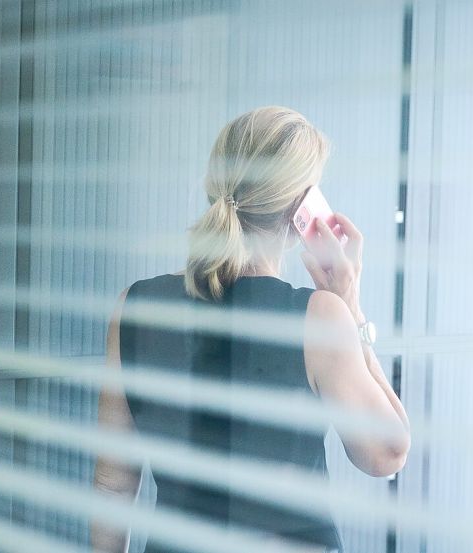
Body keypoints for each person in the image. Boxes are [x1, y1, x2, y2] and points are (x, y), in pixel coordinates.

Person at [91, 106, 411, 553]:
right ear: (302, 210)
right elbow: (385, 454)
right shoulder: (318, 318)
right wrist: (351, 307)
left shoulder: (135, 307)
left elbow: (112, 484)